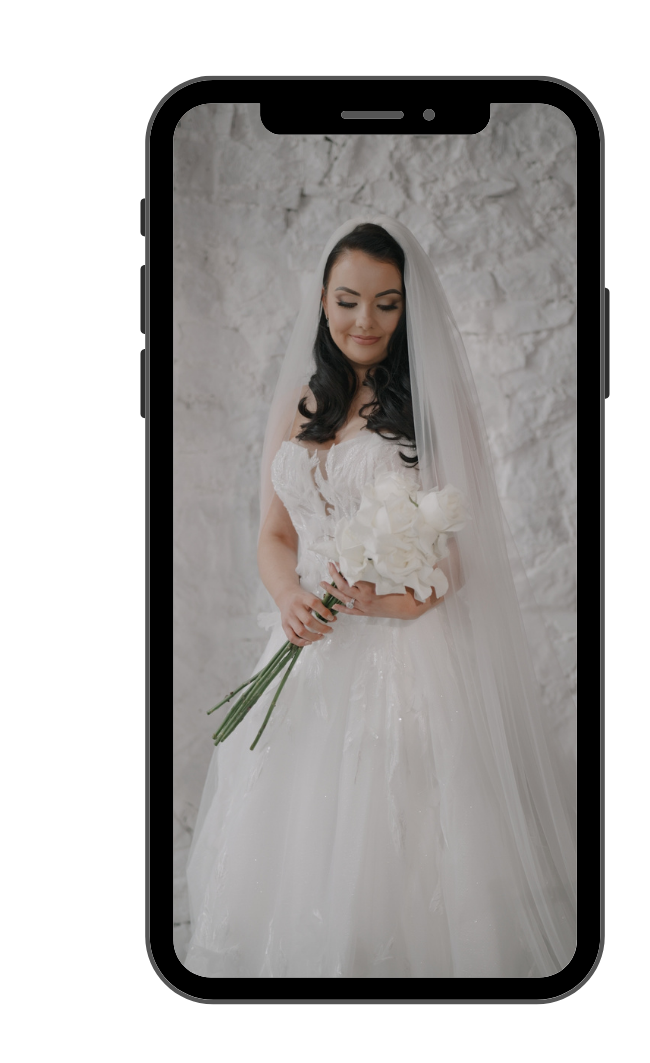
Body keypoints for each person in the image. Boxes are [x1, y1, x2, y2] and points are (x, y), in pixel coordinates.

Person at [183, 216, 576, 977]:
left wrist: (377, 602)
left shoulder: (428, 409)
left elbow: (455, 562)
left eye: (387, 303)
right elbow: (274, 534)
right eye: (349, 300)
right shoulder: (301, 403)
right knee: (293, 827)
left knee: (401, 826)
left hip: (405, 647)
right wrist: (289, 598)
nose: (366, 321)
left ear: (407, 308)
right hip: (307, 645)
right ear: (324, 302)